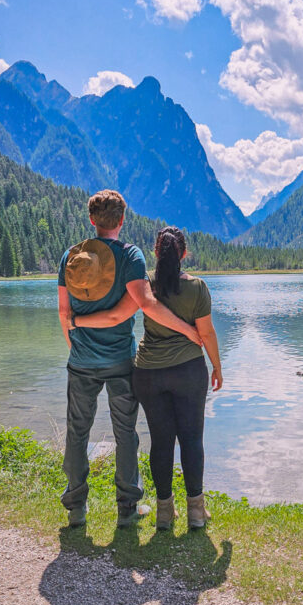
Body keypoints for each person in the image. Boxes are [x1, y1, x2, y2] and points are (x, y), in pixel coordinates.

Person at [57, 191, 201, 529]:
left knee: (77, 432)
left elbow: (64, 313)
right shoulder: (130, 255)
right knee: (125, 433)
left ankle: (76, 508)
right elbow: (147, 304)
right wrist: (188, 330)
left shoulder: (71, 256)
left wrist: (76, 345)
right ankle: (127, 509)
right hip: (120, 359)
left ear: (92, 220)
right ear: (122, 220)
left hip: (81, 360)